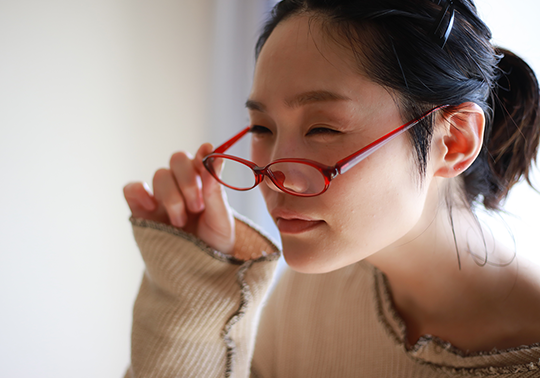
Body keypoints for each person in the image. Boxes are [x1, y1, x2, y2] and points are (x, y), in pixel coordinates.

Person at [122, 0, 540, 377]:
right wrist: (194, 294)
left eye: (322, 127)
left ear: (453, 141)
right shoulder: (311, 293)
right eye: (262, 127)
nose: (273, 174)